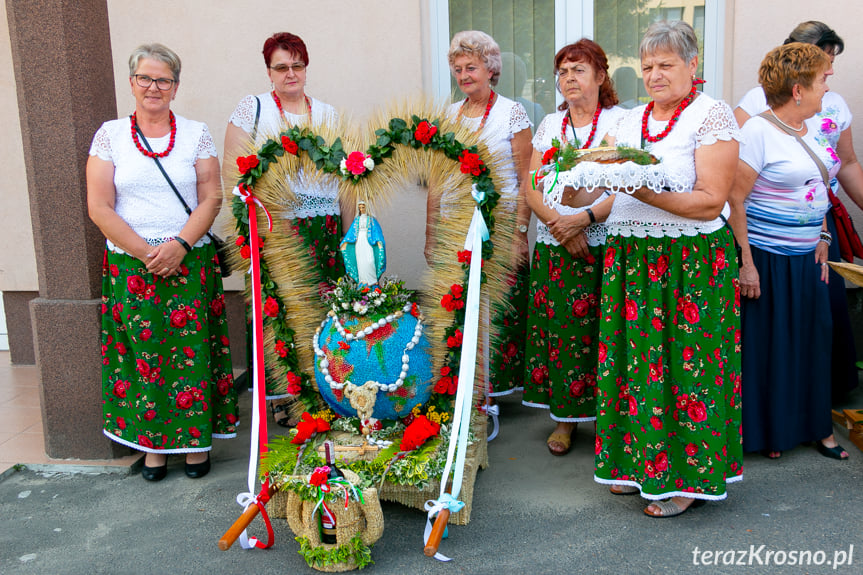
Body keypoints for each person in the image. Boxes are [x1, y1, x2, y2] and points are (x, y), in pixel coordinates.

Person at [593, 21, 743, 517]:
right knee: (634, 363)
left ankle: (689, 479)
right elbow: (613, 188)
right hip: (632, 260)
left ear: (693, 65)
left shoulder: (711, 115)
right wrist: (571, 187)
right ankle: (638, 465)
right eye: (648, 65)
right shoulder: (630, 120)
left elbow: (710, 202)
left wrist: (643, 192)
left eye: (666, 65)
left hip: (689, 264)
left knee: (687, 368)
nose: (655, 75)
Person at [87, 43, 237, 482]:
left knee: (192, 358)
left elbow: (212, 195)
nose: (154, 87)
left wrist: (179, 246)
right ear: (132, 83)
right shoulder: (110, 135)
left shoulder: (195, 133)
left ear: (176, 86)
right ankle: (152, 447)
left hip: (189, 261)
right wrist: (145, 252)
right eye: (146, 78)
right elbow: (100, 206)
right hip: (133, 267)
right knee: (144, 358)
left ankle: (195, 445)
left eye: (164, 80)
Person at [728, 42, 849, 461]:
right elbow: (734, 199)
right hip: (767, 258)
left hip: (808, 255)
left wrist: (824, 237)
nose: (827, 85)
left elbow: (820, 186)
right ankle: (771, 434)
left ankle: (817, 429)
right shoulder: (757, 132)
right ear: (798, 89)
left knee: (813, 341)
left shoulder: (814, 126)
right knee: (771, 349)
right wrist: (746, 263)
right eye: (821, 79)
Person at [224, 32, 345, 426]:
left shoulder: (327, 114)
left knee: (323, 308)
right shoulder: (253, 109)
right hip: (274, 227)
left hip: (324, 227)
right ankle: (282, 394)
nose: (290, 73)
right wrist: (252, 230)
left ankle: (322, 388)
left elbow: (346, 178)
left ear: (306, 69)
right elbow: (235, 173)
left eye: (297, 65)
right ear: (269, 72)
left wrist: (350, 228)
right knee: (278, 309)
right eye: (281, 67)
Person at [521, 39, 625, 456]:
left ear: (600, 76)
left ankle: (610, 422)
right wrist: (560, 226)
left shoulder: (622, 122)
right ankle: (565, 419)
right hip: (558, 244)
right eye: (562, 71)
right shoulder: (550, 125)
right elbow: (531, 188)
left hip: (605, 243)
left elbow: (627, 187)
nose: (568, 78)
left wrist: (585, 220)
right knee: (563, 335)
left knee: (607, 333)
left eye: (578, 69)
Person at [431, 30, 533, 411]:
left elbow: (527, 179)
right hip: (455, 225)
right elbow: (439, 178)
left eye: (470, 67)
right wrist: (432, 233)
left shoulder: (512, 113)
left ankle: (493, 390)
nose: (463, 76)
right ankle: (464, 385)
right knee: (458, 304)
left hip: (499, 225)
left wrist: (520, 234)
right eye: (457, 69)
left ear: (491, 69)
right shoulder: (449, 115)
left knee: (493, 305)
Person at [340, 200, 386, 286]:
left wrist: (379, 242)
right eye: (360, 208)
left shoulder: (371, 220)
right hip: (359, 242)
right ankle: (362, 281)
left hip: (368, 242)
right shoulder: (357, 220)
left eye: (363, 207)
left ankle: (372, 280)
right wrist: (345, 242)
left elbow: (377, 232)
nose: (361, 209)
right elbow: (351, 233)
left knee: (370, 260)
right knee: (361, 261)